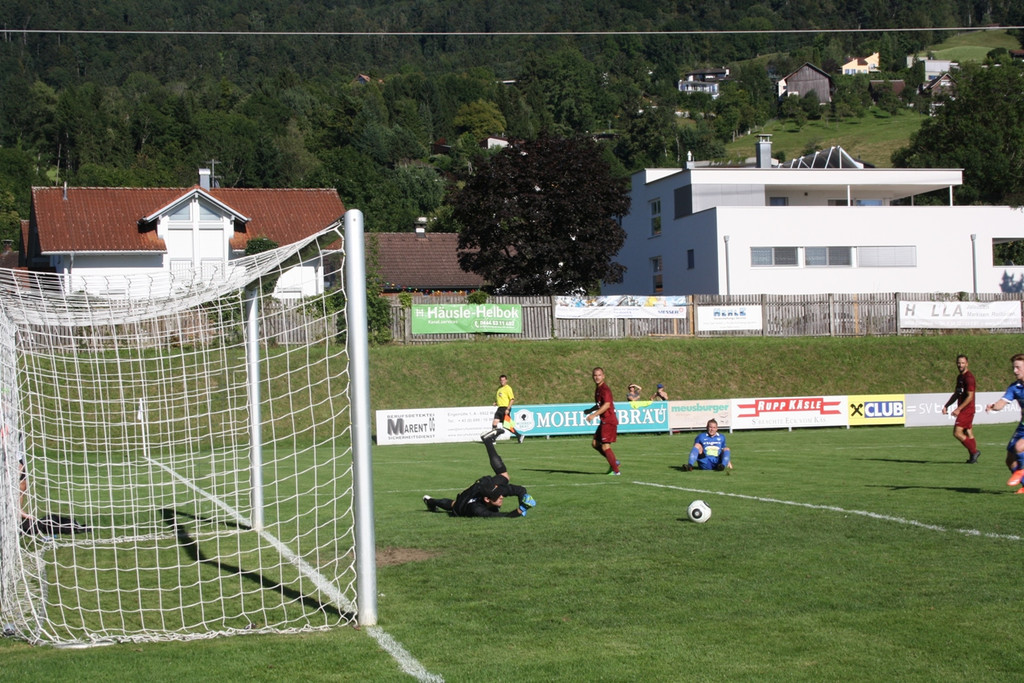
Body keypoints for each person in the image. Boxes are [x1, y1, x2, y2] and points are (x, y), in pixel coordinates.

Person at [423, 428, 537, 517]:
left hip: (482, 486)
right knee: (454, 505)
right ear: (487, 499)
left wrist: (524, 499)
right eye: (498, 496)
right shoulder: (476, 509)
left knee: (504, 477)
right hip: (465, 500)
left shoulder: (496, 491)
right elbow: (498, 516)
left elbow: (520, 490)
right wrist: (520, 510)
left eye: (500, 493)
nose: (502, 496)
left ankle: (488, 441)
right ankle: (430, 501)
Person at [985, 353, 1024, 494]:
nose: (1015, 371)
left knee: (1020, 447)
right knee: (1010, 460)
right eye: (1014, 367)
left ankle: (1022, 471)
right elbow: (1002, 402)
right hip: (1022, 426)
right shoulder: (1015, 387)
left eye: (1018, 367)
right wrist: (993, 406)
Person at [942, 354, 980, 463]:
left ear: (967, 364)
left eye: (963, 363)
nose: (960, 365)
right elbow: (956, 394)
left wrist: (959, 409)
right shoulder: (960, 377)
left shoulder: (969, 378)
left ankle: (974, 452)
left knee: (957, 432)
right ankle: (973, 458)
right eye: (959, 363)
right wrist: (947, 405)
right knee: (968, 432)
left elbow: (970, 396)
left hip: (967, 409)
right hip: (965, 409)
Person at [584, 367, 620, 475]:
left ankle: (616, 471)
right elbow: (600, 404)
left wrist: (593, 415)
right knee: (595, 444)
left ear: (603, 376)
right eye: (595, 375)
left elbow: (607, 404)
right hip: (604, 420)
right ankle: (614, 462)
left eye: (599, 375)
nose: (597, 377)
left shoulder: (605, 389)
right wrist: (590, 410)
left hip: (609, 420)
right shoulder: (598, 389)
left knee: (605, 446)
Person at [491, 374, 524, 443]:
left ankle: (519, 435)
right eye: (501, 380)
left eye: (503, 380)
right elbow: (502, 399)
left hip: (505, 409)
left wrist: (508, 409)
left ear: (506, 380)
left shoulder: (508, 388)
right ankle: (493, 439)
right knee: (494, 423)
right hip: (499, 408)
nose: (502, 381)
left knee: (507, 425)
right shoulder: (499, 388)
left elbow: (512, 399)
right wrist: (496, 403)